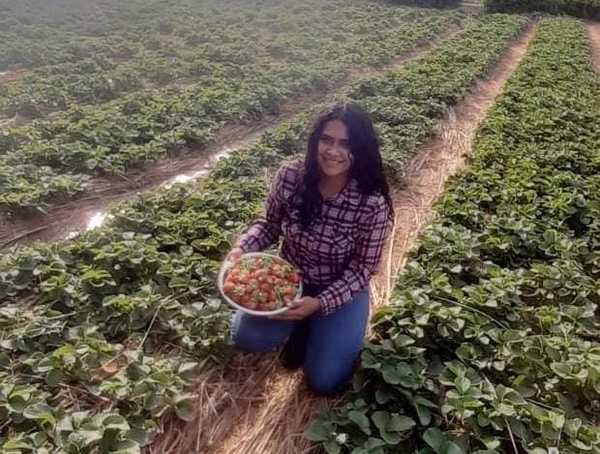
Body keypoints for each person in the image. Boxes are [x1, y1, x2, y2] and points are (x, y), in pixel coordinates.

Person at [226, 102, 394, 396]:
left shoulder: (371, 202)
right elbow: (269, 224)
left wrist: (320, 303)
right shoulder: (291, 176)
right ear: (316, 140)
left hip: (340, 289)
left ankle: (318, 325)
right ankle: (303, 328)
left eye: (346, 143)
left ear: (361, 148)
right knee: (246, 337)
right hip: (289, 282)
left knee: (324, 380)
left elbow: (362, 270)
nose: (333, 151)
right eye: (326, 139)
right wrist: (242, 247)